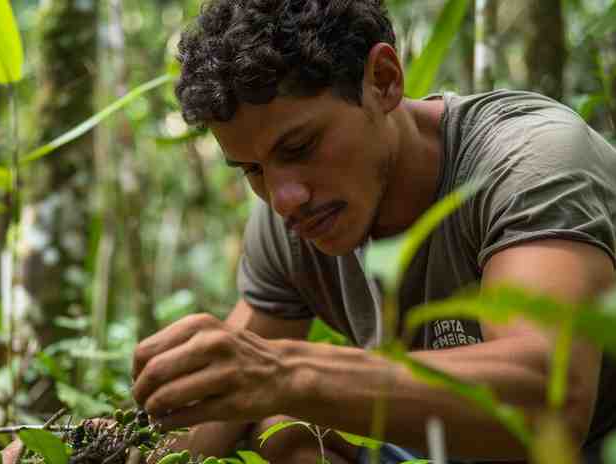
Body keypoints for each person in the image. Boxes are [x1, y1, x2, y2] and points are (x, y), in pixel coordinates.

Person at [130, 0, 616, 462]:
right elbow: (222, 400)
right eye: (252, 170)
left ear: (383, 81)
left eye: (299, 147)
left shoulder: (530, 160)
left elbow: (551, 403)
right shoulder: (295, 219)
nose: (282, 199)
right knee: (287, 434)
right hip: (437, 450)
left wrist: (287, 373)